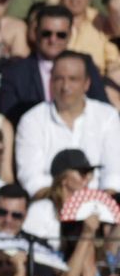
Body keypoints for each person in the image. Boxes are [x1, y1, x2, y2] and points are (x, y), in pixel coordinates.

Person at [14, 49, 120, 193]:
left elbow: (114, 174)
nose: (65, 87)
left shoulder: (108, 116)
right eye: (59, 79)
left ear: (87, 83)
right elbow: (32, 179)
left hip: (101, 205)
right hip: (49, 204)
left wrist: (97, 207)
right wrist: (66, 203)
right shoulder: (32, 120)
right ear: (50, 82)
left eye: (73, 79)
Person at [0, 5, 106, 124]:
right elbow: (8, 118)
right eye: (46, 33)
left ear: (70, 35)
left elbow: (103, 109)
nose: (53, 40)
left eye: (61, 35)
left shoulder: (85, 64)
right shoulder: (14, 72)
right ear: (35, 32)